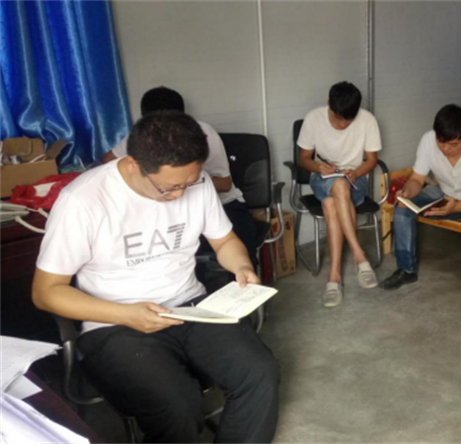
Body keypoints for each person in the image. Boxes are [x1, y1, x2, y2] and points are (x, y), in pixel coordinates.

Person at [33, 112, 280, 444]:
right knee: (177, 406)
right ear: (132, 164)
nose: (179, 196)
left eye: (187, 184)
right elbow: (46, 292)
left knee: (260, 373)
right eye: (169, 187)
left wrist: (242, 266)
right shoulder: (83, 201)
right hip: (114, 322)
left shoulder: (198, 182)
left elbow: (225, 241)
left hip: (190, 307)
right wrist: (126, 314)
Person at [103, 86, 258, 269]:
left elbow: (224, 184)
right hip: (166, 210)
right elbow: (107, 162)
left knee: (240, 249)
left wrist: (184, 184)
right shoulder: (142, 138)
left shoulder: (202, 135)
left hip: (224, 204)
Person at [379, 104, 461, 320]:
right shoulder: (428, 140)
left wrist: (458, 206)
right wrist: (407, 192)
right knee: (403, 208)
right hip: (444, 192)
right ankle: (406, 270)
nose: (445, 149)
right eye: (441, 141)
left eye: (453, 144)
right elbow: (417, 179)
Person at [297, 81, 382, 307]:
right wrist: (318, 167)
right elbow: (303, 159)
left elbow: (371, 160)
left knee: (330, 204)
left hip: (355, 180)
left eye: (348, 120)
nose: (342, 124)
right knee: (339, 187)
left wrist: (356, 172)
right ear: (328, 105)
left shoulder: (368, 120)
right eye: (337, 118)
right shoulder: (313, 118)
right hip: (321, 178)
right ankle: (359, 255)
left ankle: (333, 277)